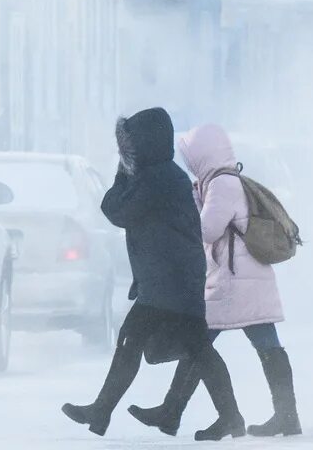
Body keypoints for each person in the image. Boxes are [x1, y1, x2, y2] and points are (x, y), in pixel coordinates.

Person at [62, 108, 245, 440]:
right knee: (195, 350)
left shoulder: (158, 179)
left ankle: (102, 411)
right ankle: (226, 417)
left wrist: (122, 173)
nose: (127, 152)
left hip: (171, 283)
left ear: (146, 143)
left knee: (146, 343)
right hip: (172, 280)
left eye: (130, 146)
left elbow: (116, 210)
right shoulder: (163, 175)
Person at [129, 123, 302, 438]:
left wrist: (187, 211)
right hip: (244, 281)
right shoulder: (219, 182)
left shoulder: (222, 185)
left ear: (203, 154)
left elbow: (207, 231)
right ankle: (283, 416)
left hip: (233, 284)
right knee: (261, 344)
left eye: (191, 155)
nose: (188, 162)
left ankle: (179, 411)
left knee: (200, 343)